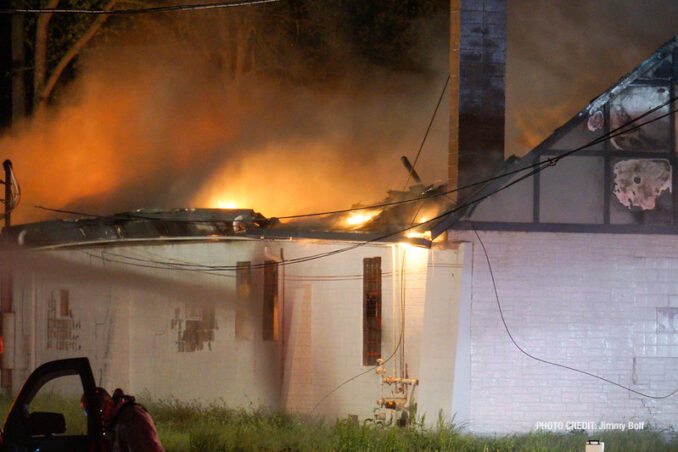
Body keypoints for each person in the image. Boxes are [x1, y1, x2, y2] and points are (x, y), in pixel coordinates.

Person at [86, 387, 164, 452]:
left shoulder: (131, 418)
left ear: (109, 403)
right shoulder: (113, 422)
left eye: (101, 410)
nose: (99, 416)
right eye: (92, 414)